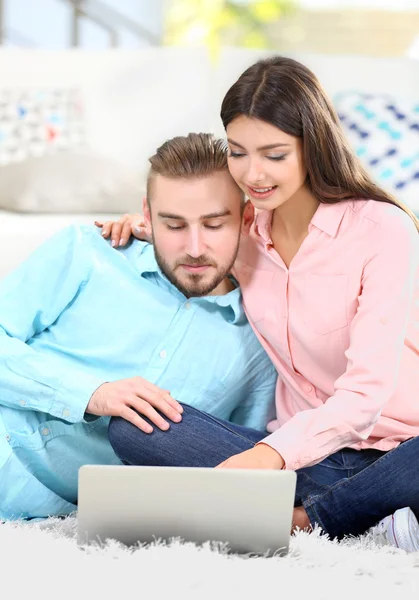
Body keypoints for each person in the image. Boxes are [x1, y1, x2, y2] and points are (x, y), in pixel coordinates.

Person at [102, 56, 419, 553]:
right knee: (136, 424)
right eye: (238, 152)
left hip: (400, 450)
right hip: (306, 456)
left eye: (274, 154)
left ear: (312, 147)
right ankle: (366, 514)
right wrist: (144, 227)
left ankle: (308, 521)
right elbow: (192, 239)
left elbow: (366, 397)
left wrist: (269, 457)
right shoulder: (243, 233)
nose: (253, 174)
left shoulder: (382, 229)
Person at [0, 133, 277, 521]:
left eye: (213, 224)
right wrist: (91, 394)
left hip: (57, 512)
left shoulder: (259, 346)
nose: (195, 248)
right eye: (174, 225)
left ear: (246, 219)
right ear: (146, 215)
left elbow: (234, 466)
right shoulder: (87, 251)